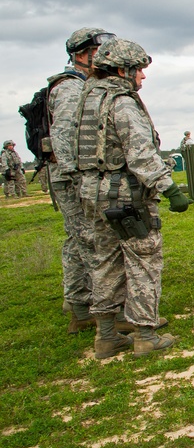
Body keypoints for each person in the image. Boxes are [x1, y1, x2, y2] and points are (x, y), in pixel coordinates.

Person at [75, 38, 190, 359]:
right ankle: (144, 334)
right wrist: (170, 188)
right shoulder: (122, 103)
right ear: (123, 71)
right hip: (125, 197)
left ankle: (107, 337)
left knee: (105, 263)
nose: (142, 77)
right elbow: (140, 155)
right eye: (138, 70)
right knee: (143, 261)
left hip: (93, 195)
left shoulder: (88, 101)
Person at [48, 27, 115, 334]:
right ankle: (109, 315)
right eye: (97, 53)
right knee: (92, 243)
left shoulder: (85, 85)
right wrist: (81, 178)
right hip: (72, 179)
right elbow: (62, 139)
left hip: (75, 176)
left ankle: (78, 306)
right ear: (81, 55)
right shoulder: (69, 89)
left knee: (77, 243)